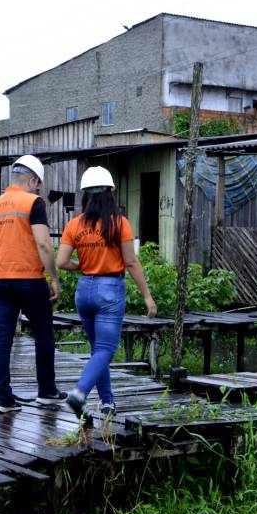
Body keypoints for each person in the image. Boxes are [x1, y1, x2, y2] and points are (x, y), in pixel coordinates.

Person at [56, 166, 157, 420]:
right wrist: (147, 296)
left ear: (85, 195)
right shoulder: (119, 223)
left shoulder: (74, 225)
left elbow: (61, 262)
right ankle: (79, 392)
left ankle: (107, 401)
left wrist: (84, 266)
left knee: (97, 349)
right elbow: (131, 262)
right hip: (110, 290)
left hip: (84, 290)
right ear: (111, 192)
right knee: (105, 350)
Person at [0, 155, 67, 413]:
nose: (38, 189)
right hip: (30, 280)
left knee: (3, 338)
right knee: (43, 334)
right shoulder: (34, 203)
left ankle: (4, 398)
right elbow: (43, 244)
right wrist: (54, 277)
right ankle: (46, 391)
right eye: (38, 185)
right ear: (32, 181)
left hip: (1, 281)